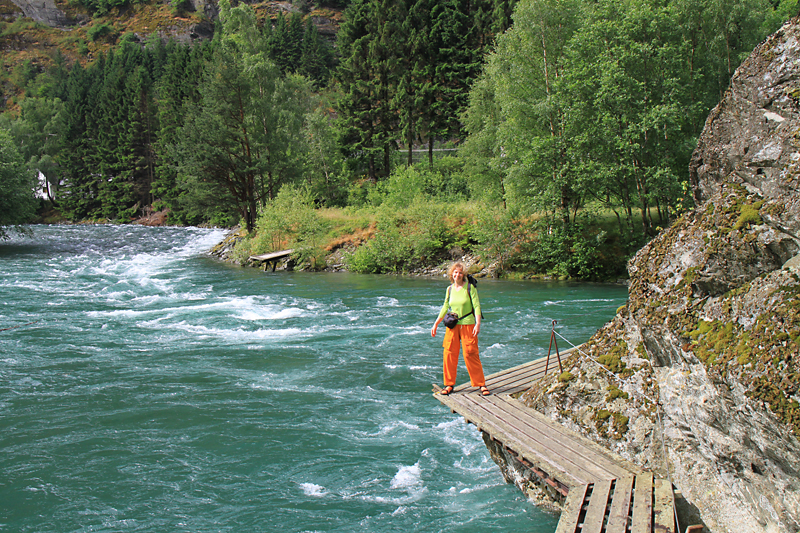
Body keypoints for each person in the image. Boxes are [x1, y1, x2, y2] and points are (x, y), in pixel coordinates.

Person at [431, 262, 490, 396]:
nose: (457, 275)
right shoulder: (449, 289)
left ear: (464, 275)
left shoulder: (470, 288)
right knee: (449, 353)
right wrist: (435, 324)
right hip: (453, 325)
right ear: (452, 274)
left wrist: (478, 324)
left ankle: (481, 384)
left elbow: (477, 306)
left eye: (460, 273)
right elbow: (445, 307)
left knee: (470, 353)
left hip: (468, 324)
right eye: (455, 272)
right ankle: (449, 384)